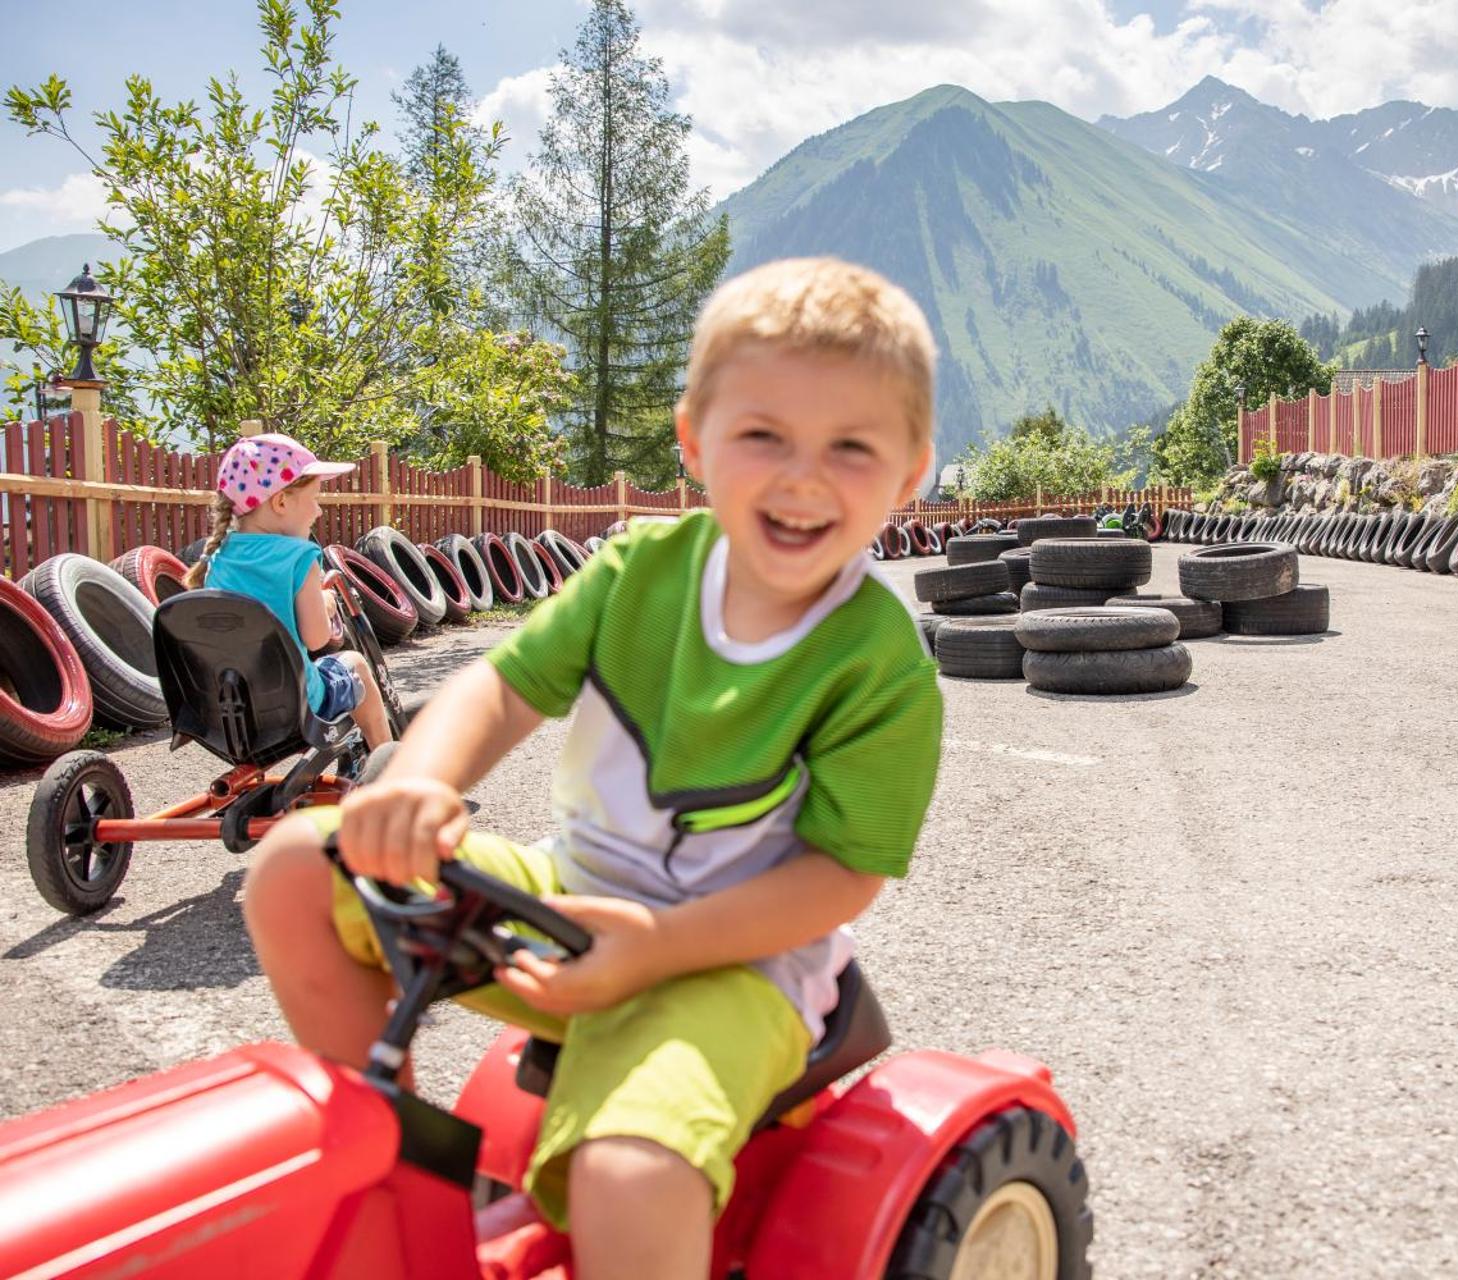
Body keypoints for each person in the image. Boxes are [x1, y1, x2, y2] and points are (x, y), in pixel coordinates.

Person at [241, 258, 942, 1280]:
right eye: (763, 436)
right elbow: (505, 686)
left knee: (628, 1174)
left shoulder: (881, 663)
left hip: (734, 960)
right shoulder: (635, 575)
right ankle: (388, 1169)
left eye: (851, 447)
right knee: (298, 869)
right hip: (572, 900)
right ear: (695, 441)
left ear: (910, 471)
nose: (802, 477)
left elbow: (845, 874)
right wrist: (416, 777)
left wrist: (658, 945)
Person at [186, 433, 393, 750]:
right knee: (356, 665)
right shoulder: (299, 558)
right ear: (281, 502)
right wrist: (325, 603)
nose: (319, 511)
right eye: (314, 499)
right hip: (295, 702)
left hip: (232, 707)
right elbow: (318, 639)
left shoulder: (217, 559)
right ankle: (389, 762)